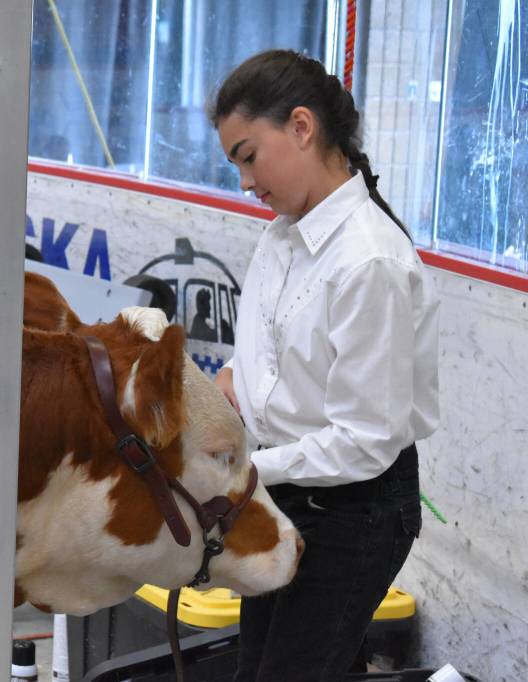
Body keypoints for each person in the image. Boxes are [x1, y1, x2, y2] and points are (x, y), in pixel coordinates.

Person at [208, 50, 439, 681]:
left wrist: (245, 473)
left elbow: (363, 440)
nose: (247, 182)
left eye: (249, 157)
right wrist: (229, 387)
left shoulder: (369, 261)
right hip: (289, 487)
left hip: (355, 510)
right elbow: (263, 357)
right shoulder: (281, 235)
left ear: (302, 127)